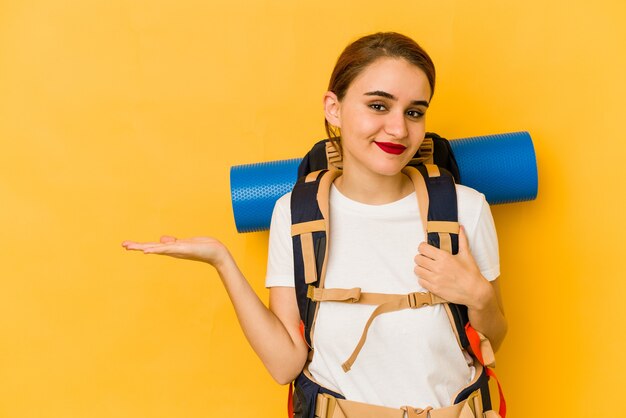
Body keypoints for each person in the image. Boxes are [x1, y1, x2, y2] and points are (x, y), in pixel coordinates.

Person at [123, 32, 507, 415]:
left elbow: (496, 336)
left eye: (414, 112)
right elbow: (285, 364)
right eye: (378, 106)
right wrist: (221, 259)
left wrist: (479, 296)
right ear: (333, 108)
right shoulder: (294, 213)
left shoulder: (464, 209)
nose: (399, 130)